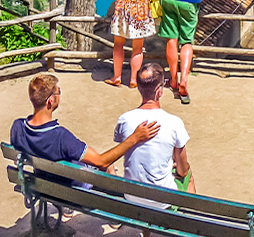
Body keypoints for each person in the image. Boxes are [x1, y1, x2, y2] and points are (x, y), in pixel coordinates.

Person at [113, 62, 198, 237]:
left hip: (132, 198)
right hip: (162, 200)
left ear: (140, 89)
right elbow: (182, 168)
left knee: (141, 176)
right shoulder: (174, 122)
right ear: (160, 91)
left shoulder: (125, 120)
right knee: (189, 175)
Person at [9, 73, 160, 173]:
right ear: (50, 100)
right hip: (69, 188)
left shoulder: (18, 127)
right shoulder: (60, 137)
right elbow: (101, 161)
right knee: (108, 166)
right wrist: (134, 138)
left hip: (43, 182)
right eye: (58, 92)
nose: (60, 94)